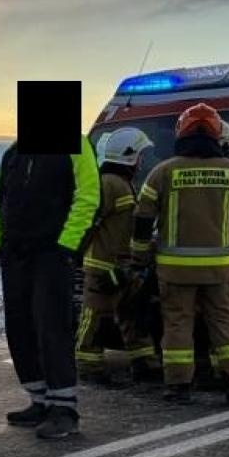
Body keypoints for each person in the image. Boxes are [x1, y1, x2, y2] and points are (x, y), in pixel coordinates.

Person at [130, 102, 229, 406]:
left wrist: (139, 260)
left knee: (178, 325)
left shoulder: (162, 172)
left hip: (174, 271)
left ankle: (179, 387)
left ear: (181, 133)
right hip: (220, 270)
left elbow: (142, 221)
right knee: (226, 323)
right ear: (217, 134)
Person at [0, 132, 101, 440]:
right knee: (20, 328)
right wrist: (1, 245)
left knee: (51, 327)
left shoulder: (76, 145)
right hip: (16, 255)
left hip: (52, 255)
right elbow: (1, 199)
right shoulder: (13, 152)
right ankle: (39, 399)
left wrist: (67, 248)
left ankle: (64, 409)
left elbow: (89, 197)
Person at [75, 126, 153, 385]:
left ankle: (144, 363)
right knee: (95, 318)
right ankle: (89, 367)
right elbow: (89, 222)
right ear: (130, 156)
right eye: (141, 155)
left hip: (123, 266)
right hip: (103, 266)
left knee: (133, 316)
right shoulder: (109, 184)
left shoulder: (121, 183)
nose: (142, 161)